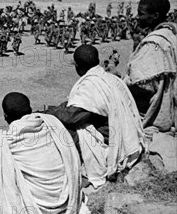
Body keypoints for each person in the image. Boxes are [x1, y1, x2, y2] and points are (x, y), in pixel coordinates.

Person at [0, 93, 91, 214]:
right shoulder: (51, 123)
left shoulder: (8, 141)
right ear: (30, 110)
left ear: (5, 116)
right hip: (67, 202)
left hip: (39, 209)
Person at [47, 45, 144, 189]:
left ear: (78, 67)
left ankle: (76, 171)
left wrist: (51, 113)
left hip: (110, 143)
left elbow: (72, 117)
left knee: (61, 129)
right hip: (127, 137)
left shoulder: (91, 84)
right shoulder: (110, 78)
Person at [123, 0, 176, 165]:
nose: (138, 17)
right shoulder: (171, 35)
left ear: (155, 16)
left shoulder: (154, 44)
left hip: (154, 115)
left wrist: (122, 90)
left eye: (141, 13)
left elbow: (141, 86)